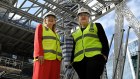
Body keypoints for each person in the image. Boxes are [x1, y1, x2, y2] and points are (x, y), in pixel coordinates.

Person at [71, 7, 109, 79]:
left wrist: (104, 55)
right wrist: (72, 61)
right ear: (78, 18)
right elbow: (74, 48)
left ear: (89, 17)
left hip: (95, 58)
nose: (83, 16)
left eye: (85, 14)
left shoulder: (96, 26)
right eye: (80, 15)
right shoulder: (75, 33)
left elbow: (104, 41)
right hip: (79, 61)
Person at [32, 11, 62, 79]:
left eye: (53, 18)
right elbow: (37, 40)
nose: (51, 18)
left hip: (56, 61)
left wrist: (60, 59)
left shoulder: (57, 34)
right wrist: (39, 54)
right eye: (48, 17)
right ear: (45, 20)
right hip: (43, 59)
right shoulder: (41, 27)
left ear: (55, 21)